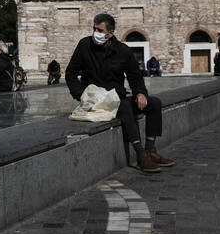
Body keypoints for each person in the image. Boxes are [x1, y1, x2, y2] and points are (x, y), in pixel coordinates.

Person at [65, 14, 174, 173]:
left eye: (99, 30)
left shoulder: (123, 51)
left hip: (117, 97)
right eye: (94, 28)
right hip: (96, 101)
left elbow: (135, 77)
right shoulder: (84, 45)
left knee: (154, 103)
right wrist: (81, 96)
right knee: (123, 106)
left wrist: (140, 93)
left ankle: (151, 150)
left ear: (110, 33)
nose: (95, 32)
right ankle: (140, 154)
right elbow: (71, 74)